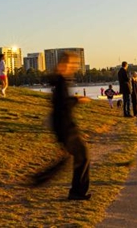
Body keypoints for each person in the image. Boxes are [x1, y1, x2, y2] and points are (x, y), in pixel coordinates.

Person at [30, 51, 91, 200]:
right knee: (82, 156)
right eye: (72, 64)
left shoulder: (60, 80)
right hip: (65, 127)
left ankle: (76, 191)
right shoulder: (60, 81)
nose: (74, 67)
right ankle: (76, 192)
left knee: (80, 157)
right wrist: (77, 100)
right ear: (65, 64)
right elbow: (62, 104)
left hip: (65, 126)